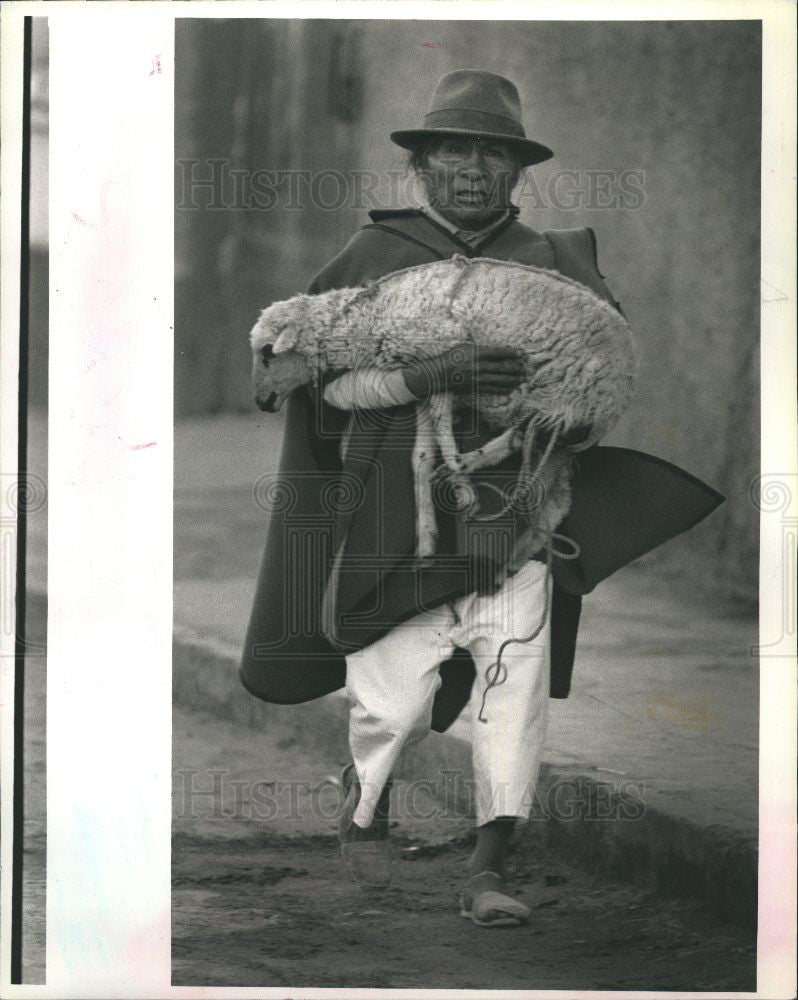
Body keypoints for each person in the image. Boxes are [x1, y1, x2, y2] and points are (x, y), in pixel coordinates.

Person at [240, 70, 723, 926]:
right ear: (422, 167)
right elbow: (316, 389)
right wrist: (425, 376)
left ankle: (491, 868)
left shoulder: (555, 264)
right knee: (392, 697)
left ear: (516, 170)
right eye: (454, 150)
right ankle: (364, 801)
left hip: (518, 517)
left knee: (514, 688)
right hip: (394, 515)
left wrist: (552, 416)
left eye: (493, 153)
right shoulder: (370, 259)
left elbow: (593, 386)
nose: (473, 168)